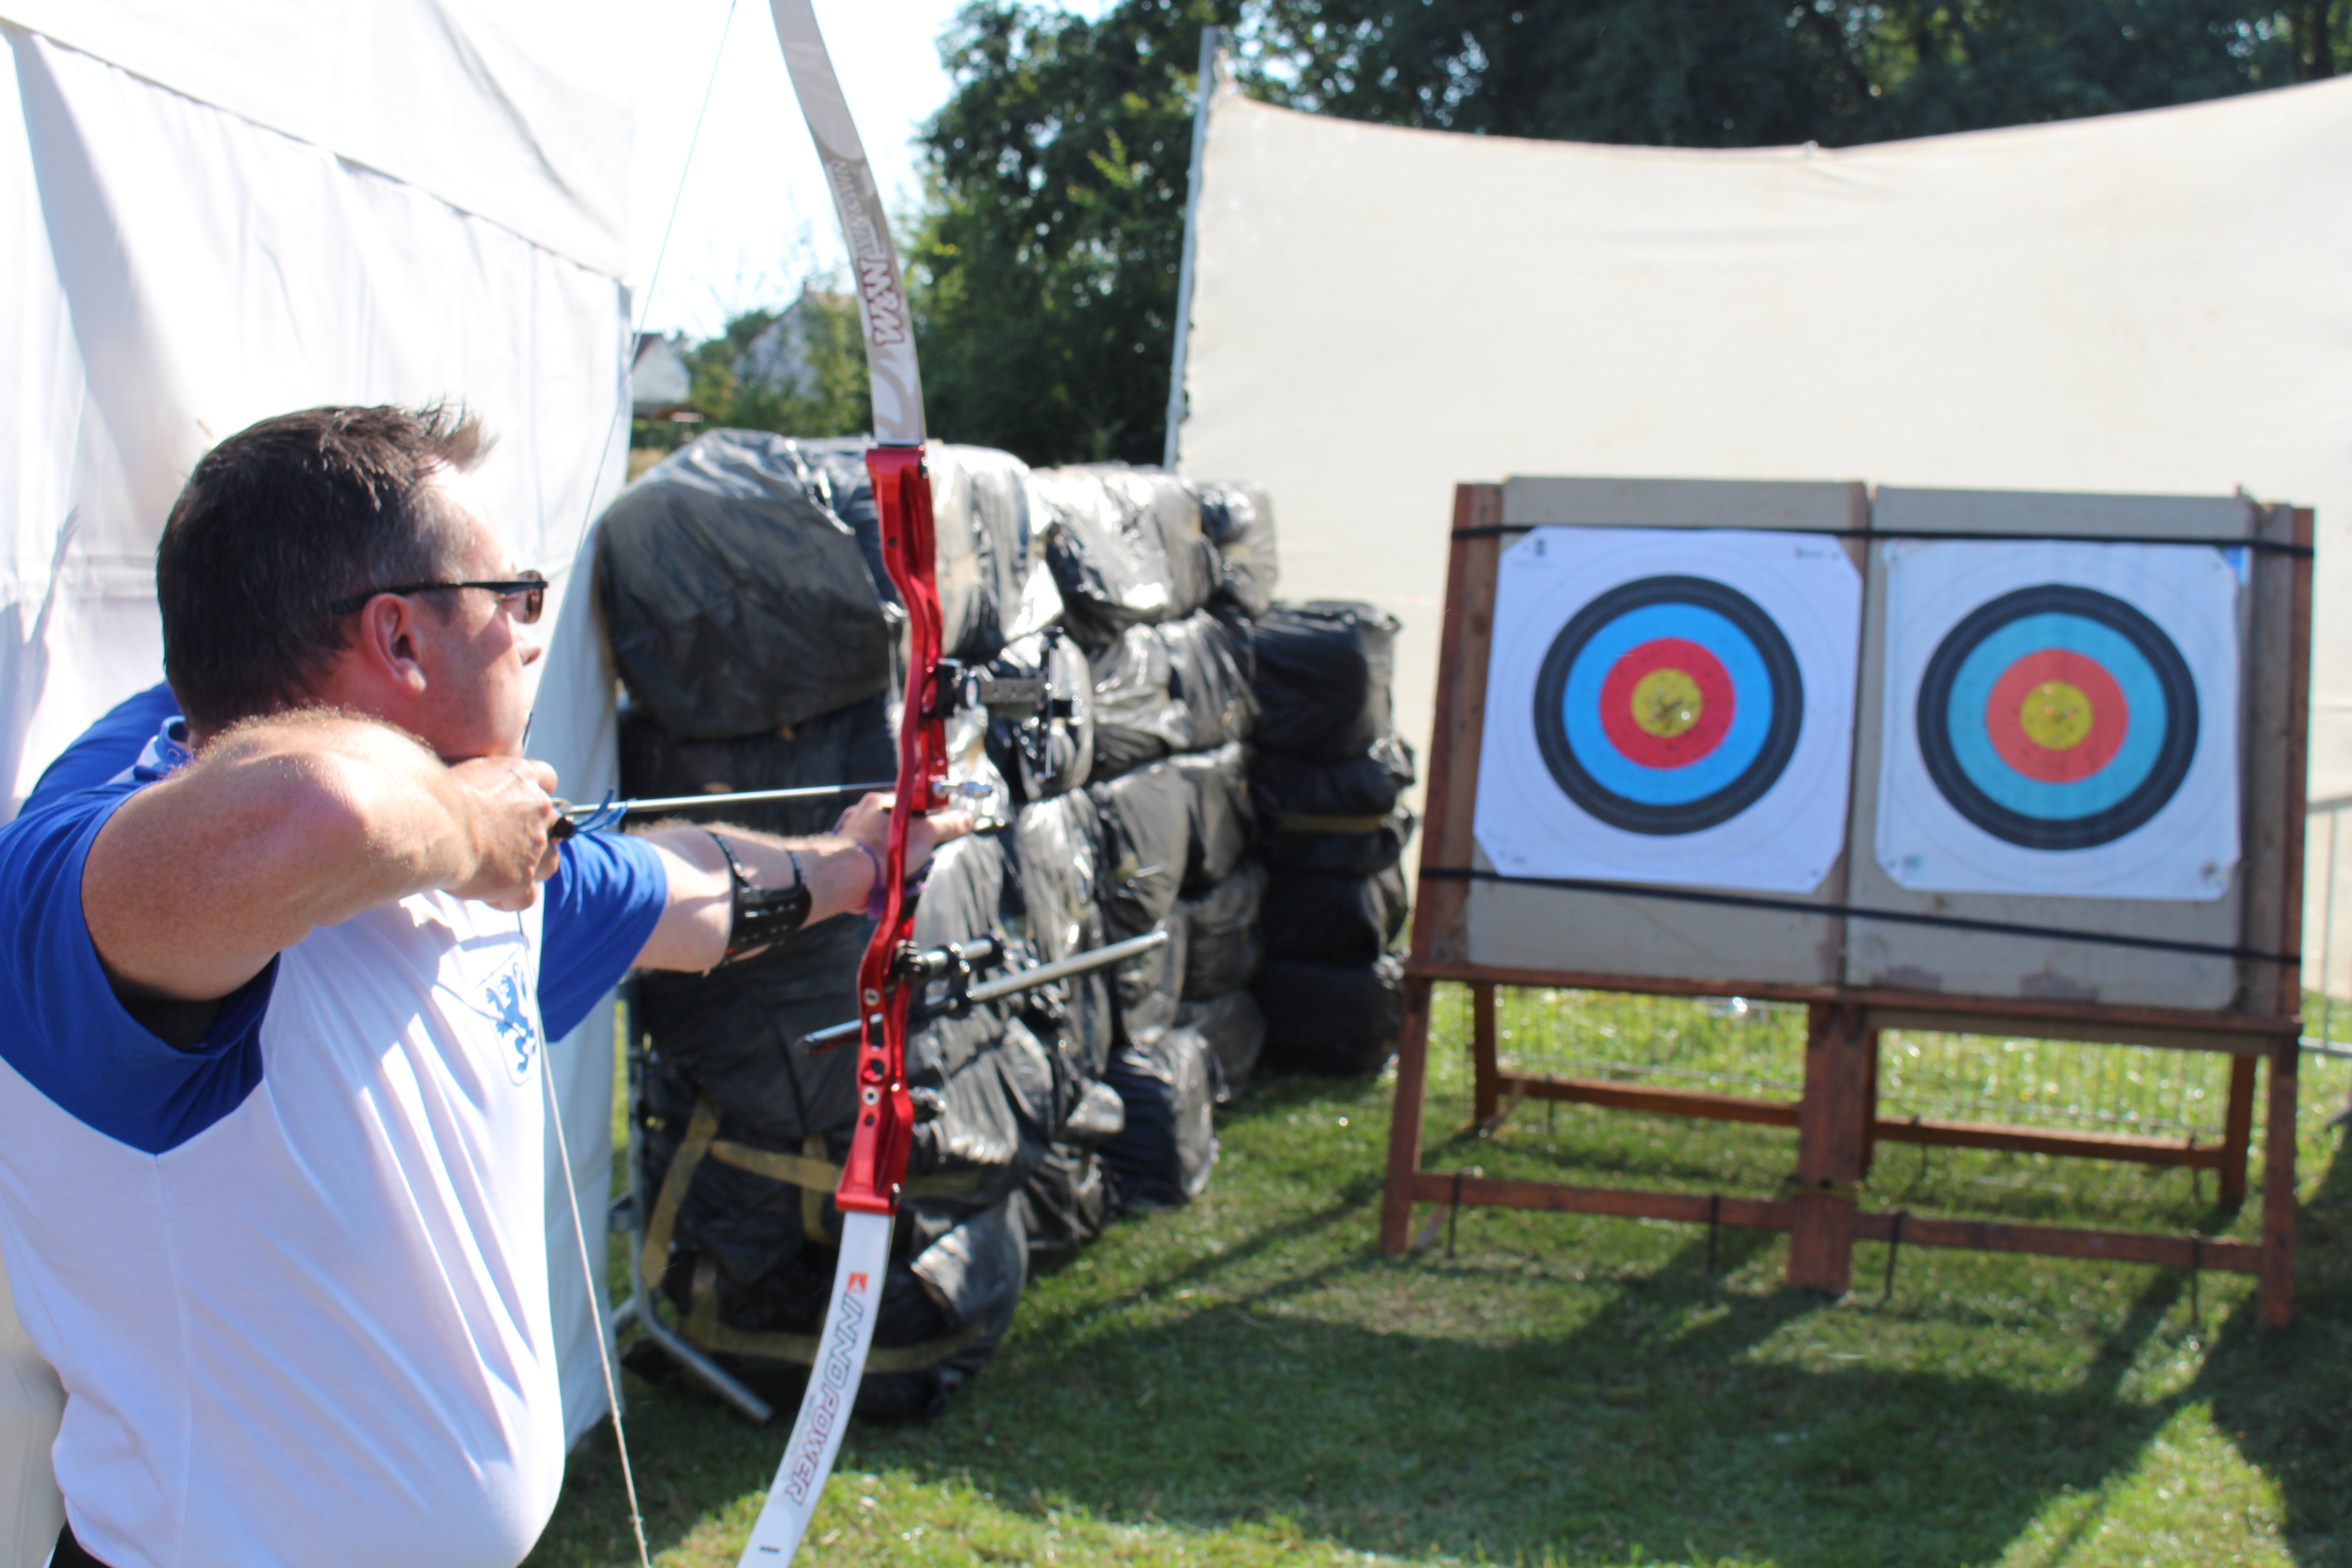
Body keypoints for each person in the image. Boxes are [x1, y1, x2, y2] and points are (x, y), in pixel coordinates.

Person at [0, 405, 965, 1568]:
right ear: (400, 640)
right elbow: (322, 809)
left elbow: (684, 895)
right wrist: (467, 824)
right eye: (511, 595)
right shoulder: (92, 873)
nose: (529, 632)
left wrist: (855, 868)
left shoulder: (477, 868)